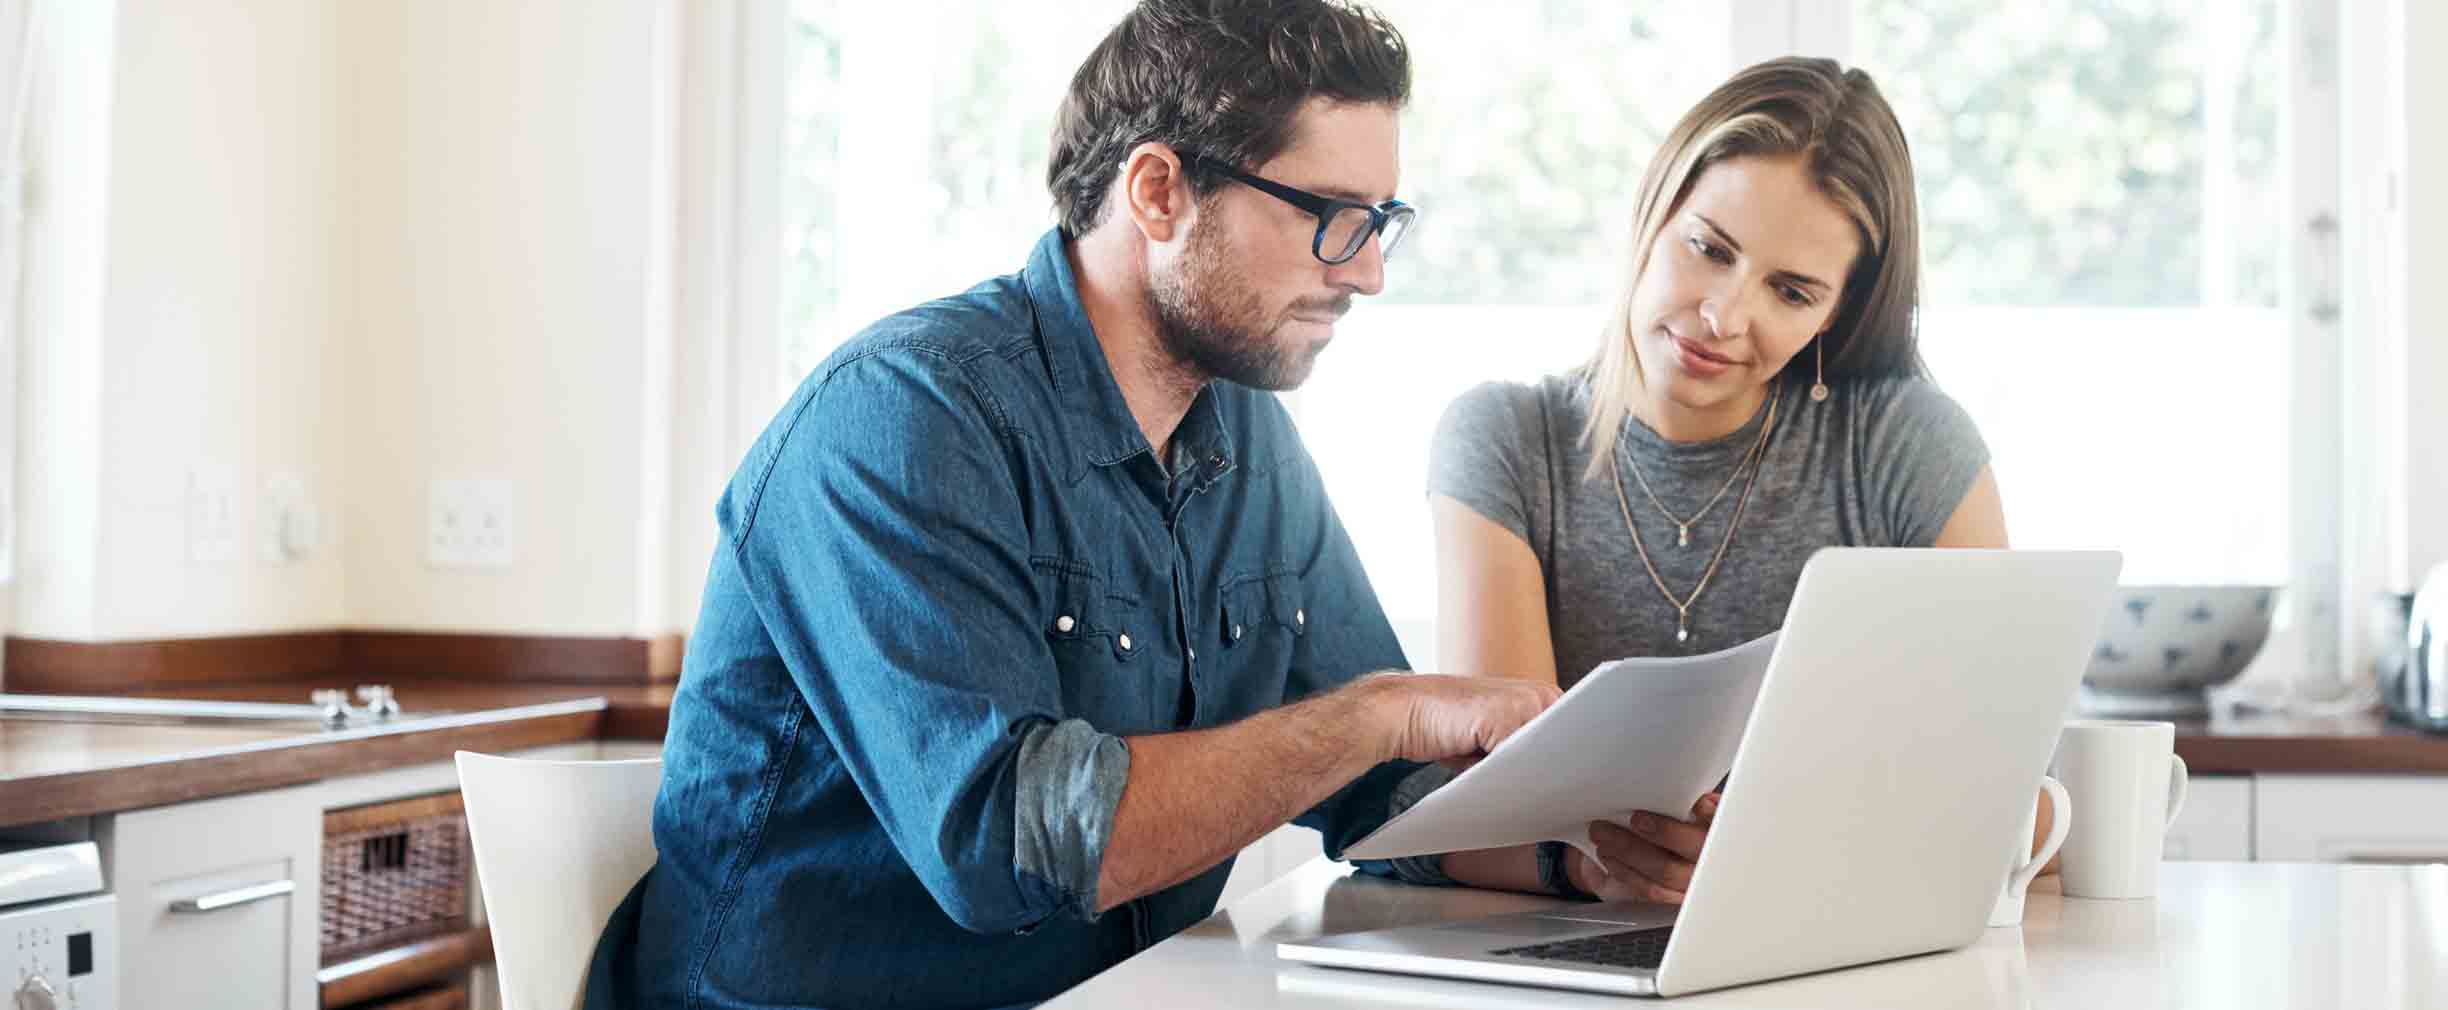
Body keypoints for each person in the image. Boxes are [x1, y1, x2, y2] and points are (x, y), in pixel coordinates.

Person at [579, 3, 1568, 1008]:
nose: (1367, 269)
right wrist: (1373, 716)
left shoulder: (1248, 438)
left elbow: (1375, 787)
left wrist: (1576, 857)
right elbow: (1010, 841)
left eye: (1381, 219)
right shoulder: (902, 413)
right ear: (1157, 191)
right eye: (1331, 216)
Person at [1423, 57, 2029, 906]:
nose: (1724, 316)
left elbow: (2013, 796)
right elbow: (1497, 799)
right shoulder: (1505, 439)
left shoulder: (1906, 444)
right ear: (1652, 210)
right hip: (1584, 951)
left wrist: (1790, 849)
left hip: (1835, 937)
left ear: (1836, 315)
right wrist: (1605, 869)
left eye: (1791, 291)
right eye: (1709, 249)